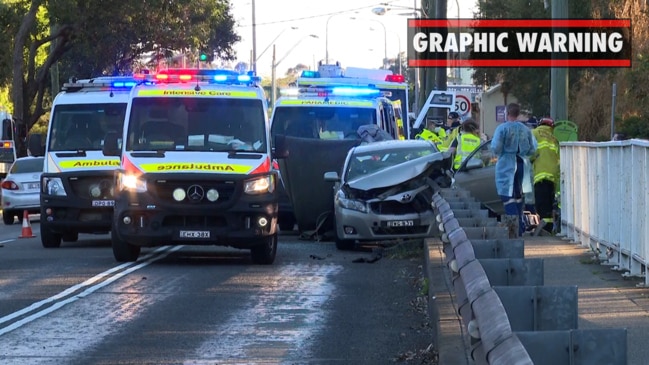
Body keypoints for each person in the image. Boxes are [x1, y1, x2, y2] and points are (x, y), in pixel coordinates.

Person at [491, 102, 538, 238]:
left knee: (506, 196)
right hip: (522, 163)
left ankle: (514, 229)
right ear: (518, 113)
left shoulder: (502, 129)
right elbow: (533, 148)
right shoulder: (525, 129)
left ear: (507, 113)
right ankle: (520, 228)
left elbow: (496, 147)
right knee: (518, 195)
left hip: (507, 164)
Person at [532, 117, 560, 232]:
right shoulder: (554, 139)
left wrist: (532, 160)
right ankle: (549, 228)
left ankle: (546, 230)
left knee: (541, 205)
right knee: (548, 203)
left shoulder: (534, 133)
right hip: (552, 176)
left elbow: (530, 152)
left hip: (540, 175)